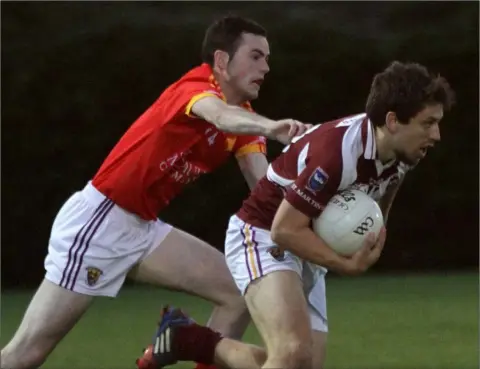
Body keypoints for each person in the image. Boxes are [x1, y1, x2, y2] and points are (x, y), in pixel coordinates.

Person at [0, 15, 311, 369]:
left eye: (267, 58)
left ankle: (179, 335)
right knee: (25, 355)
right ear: (222, 61)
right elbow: (220, 116)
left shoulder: (246, 120)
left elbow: (263, 188)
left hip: (143, 229)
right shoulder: (196, 90)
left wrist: (309, 218)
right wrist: (272, 127)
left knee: (237, 292)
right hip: (99, 223)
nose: (266, 67)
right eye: (256, 56)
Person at [137, 60, 455, 369]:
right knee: (291, 354)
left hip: (308, 246)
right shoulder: (337, 153)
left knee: (302, 364)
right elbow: (284, 230)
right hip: (262, 234)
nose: (437, 135)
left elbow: (387, 187)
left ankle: (183, 337)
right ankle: (185, 338)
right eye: (428, 123)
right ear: (393, 121)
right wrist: (344, 263)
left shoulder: (404, 153)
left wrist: (373, 233)